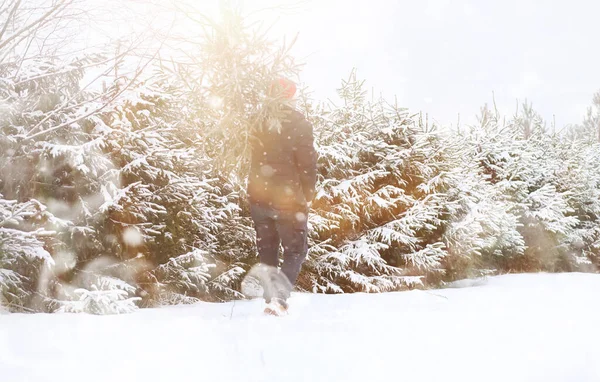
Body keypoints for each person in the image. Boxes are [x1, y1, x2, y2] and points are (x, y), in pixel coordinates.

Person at [247, 78, 317, 315]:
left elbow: (253, 161)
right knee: (295, 250)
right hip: (288, 199)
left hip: (259, 197)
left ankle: (270, 299)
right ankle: (279, 299)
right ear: (290, 98)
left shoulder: (257, 123)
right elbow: (307, 164)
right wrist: (308, 194)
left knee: (267, 249)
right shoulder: (299, 124)